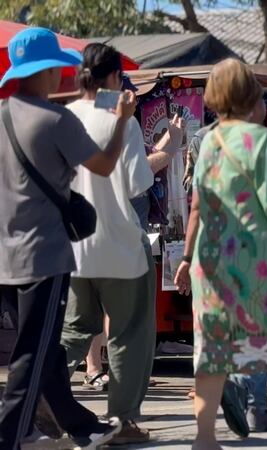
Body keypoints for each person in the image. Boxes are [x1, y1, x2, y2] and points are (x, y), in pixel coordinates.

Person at [0, 27, 137, 449]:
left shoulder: (2, 116)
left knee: (45, 351)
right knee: (31, 354)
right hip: (44, 255)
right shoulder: (55, 119)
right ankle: (9, 434)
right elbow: (103, 164)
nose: (63, 75)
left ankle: (81, 426)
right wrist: (121, 122)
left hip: (5, 253)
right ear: (43, 72)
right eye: (57, 67)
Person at [172, 58, 267, 450]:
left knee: (213, 351)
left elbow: (199, 205)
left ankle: (205, 438)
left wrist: (186, 258)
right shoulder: (262, 141)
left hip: (212, 263)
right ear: (253, 98)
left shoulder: (208, 144)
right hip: (257, 262)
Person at [52, 43, 183, 445]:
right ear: (112, 78)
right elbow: (136, 182)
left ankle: (44, 393)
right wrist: (170, 144)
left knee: (73, 330)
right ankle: (122, 421)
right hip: (121, 244)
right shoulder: (119, 119)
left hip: (73, 246)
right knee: (128, 334)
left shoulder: (65, 117)